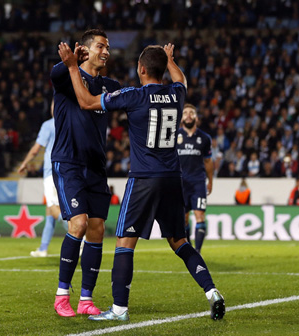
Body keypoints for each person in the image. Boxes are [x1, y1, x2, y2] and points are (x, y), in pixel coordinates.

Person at [58, 42, 225, 321]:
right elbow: (180, 79)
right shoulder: (176, 95)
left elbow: (87, 102)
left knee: (124, 242)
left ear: (142, 69)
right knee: (180, 242)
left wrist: (73, 67)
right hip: (173, 179)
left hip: (145, 178)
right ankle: (212, 292)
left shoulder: (133, 96)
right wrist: (171, 60)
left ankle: (119, 309)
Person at [50, 29, 122, 317]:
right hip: (69, 163)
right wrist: (69, 63)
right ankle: (61, 296)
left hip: (96, 167)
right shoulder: (66, 77)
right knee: (78, 224)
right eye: (102, 46)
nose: (106, 51)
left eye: (108, 47)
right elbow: (56, 76)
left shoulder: (111, 85)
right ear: (87, 49)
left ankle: (86, 299)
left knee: (97, 228)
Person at [18, 101, 68, 257]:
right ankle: (43, 248)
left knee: (54, 209)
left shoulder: (49, 125)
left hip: (51, 171)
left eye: (54, 105)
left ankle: (79, 236)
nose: (53, 107)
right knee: (49, 211)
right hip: (67, 171)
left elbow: (36, 149)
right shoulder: (70, 123)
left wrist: (25, 163)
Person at [176, 103, 214, 252]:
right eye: (185, 113)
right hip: (180, 183)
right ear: (181, 118)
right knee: (184, 218)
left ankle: (197, 252)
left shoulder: (205, 138)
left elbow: (208, 162)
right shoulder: (174, 136)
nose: (188, 115)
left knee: (200, 215)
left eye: (191, 113)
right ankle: (190, 249)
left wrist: (210, 181)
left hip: (198, 182)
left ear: (196, 118)